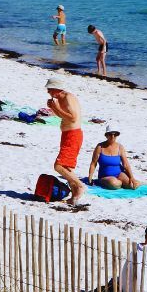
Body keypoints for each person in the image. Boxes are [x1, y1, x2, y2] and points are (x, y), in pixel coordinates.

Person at [45, 77, 84, 205]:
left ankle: (80, 186)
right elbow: (63, 116)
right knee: (66, 166)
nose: (48, 92)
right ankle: (74, 196)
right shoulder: (60, 99)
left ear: (56, 89)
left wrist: (56, 107)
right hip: (67, 134)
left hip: (73, 135)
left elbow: (73, 118)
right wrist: (53, 108)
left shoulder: (67, 97)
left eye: (50, 89)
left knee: (59, 166)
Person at [87, 125, 139, 190]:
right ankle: (107, 182)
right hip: (105, 176)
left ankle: (123, 182)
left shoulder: (120, 147)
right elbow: (93, 163)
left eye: (115, 134)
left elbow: (126, 164)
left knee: (132, 185)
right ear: (106, 135)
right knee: (115, 184)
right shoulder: (100, 147)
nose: (113, 137)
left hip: (119, 173)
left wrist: (132, 177)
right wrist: (90, 178)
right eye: (110, 134)